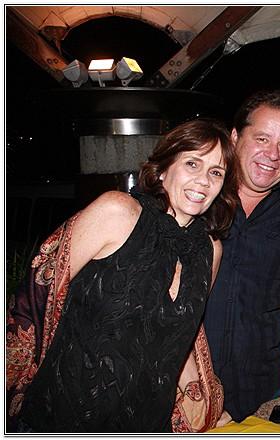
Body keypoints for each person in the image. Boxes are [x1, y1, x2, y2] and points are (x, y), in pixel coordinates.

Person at [6, 119, 240, 432]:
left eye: (216, 172)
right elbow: (35, 293)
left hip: (146, 424)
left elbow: (183, 337)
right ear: (162, 169)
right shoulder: (117, 212)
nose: (203, 180)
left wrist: (202, 405)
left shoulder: (211, 250)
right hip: (63, 417)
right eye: (192, 163)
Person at [203, 90, 280, 425]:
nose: (273, 154)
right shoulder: (200, 195)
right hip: (192, 377)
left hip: (263, 381)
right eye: (263, 138)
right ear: (235, 137)